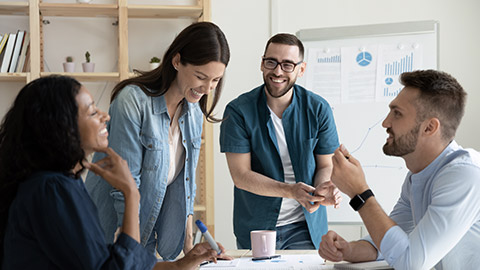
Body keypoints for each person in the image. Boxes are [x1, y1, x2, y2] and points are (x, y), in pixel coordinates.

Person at [0, 75, 229, 269]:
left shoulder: (59, 185)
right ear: (62, 127)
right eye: (92, 113)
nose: (105, 116)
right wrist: (131, 192)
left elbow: (107, 261)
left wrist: (180, 264)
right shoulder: (53, 190)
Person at [84, 21, 230, 260]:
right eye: (201, 77)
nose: (207, 88)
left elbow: (187, 185)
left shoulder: (193, 112)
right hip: (109, 235)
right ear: (176, 61)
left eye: (215, 80)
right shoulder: (132, 101)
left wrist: (190, 250)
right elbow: (125, 186)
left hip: (144, 235)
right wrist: (131, 253)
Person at [319, 70, 480, 270]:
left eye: (397, 113)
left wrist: (359, 192)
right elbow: (389, 242)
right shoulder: (417, 176)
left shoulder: (465, 175)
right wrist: (348, 250)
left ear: (429, 127)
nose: (386, 123)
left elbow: (410, 263)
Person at [219, 33, 341, 250]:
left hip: (305, 226)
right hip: (257, 227)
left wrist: (322, 189)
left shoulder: (318, 109)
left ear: (301, 70)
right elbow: (241, 176)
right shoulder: (238, 111)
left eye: (287, 65)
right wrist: (291, 191)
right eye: (271, 62)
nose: (277, 71)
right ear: (262, 64)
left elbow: (326, 164)